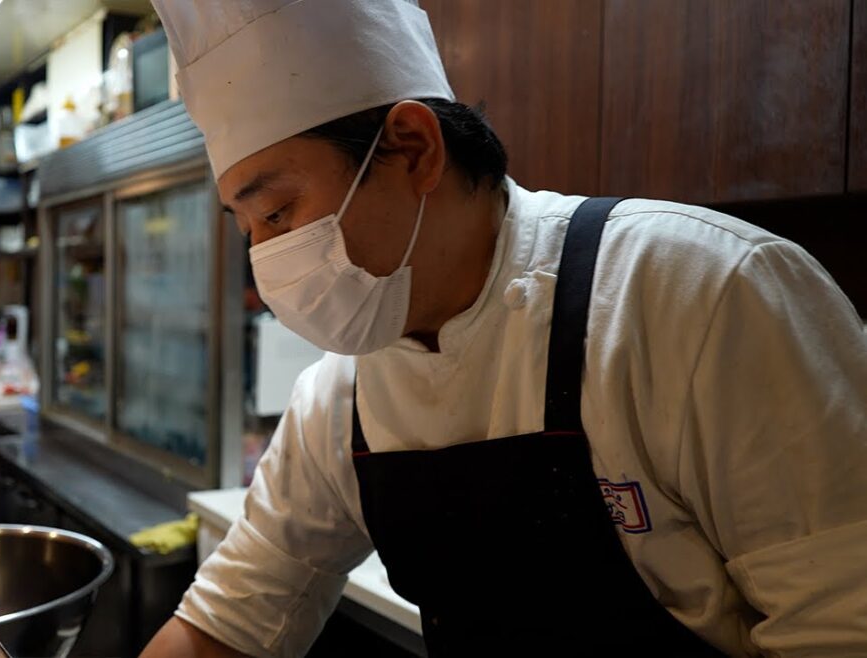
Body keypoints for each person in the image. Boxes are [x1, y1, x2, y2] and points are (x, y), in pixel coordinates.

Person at [139, 1, 867, 656]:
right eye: (248, 231)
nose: (267, 263)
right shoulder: (340, 397)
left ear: (415, 148)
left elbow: (841, 622)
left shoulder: (699, 294)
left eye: (278, 214)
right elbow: (228, 623)